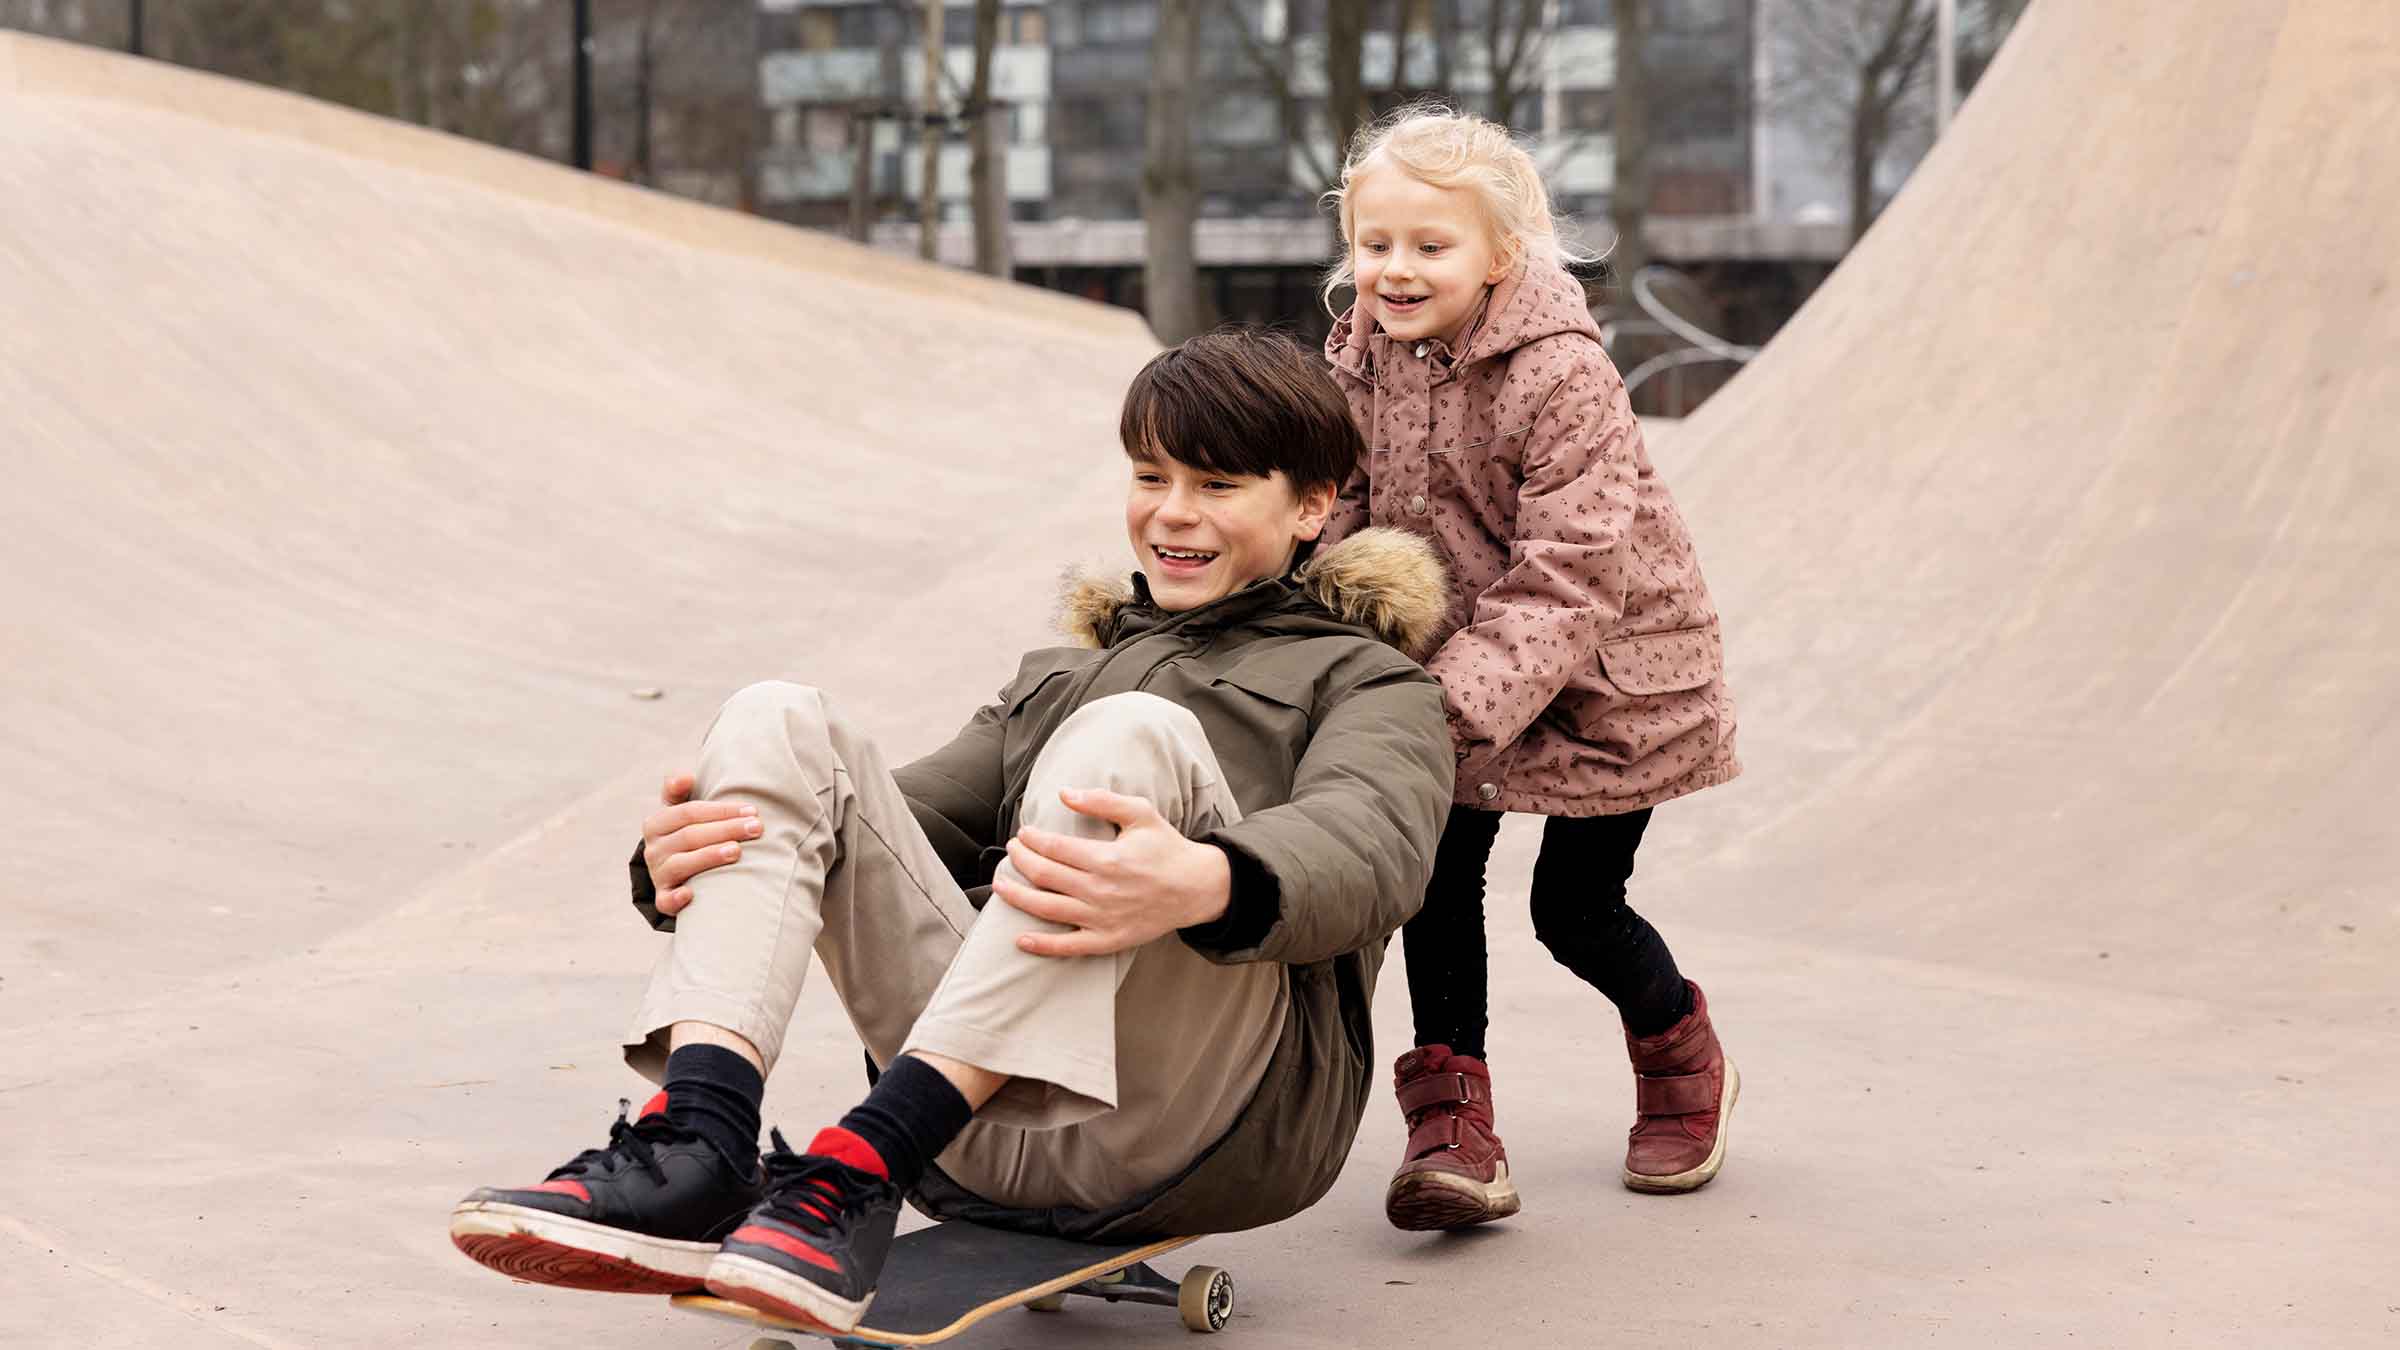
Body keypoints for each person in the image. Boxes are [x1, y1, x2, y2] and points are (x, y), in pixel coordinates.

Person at [447, 330, 1454, 1334]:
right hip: (981, 1127)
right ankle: (700, 1143)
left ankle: (862, 1162)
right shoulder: (1054, 679)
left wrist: (1205, 881)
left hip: (1199, 1120)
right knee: (778, 720)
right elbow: (875, 822)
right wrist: (691, 857)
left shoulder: (1368, 681)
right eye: (1151, 475)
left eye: (1219, 484)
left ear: (1314, 505)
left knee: (1133, 734)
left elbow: (1372, 843)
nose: (1173, 513)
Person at [1315, 107, 1744, 1230]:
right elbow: (1342, 508)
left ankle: (1679, 1051)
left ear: (1501, 253)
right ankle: (1451, 1122)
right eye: (1375, 245)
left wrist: (1449, 706)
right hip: (1443, 673)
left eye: (1430, 246)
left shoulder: (1563, 375)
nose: (1395, 271)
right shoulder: (1358, 356)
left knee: (1575, 908)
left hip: (1608, 676)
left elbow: (1571, 572)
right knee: (1434, 884)